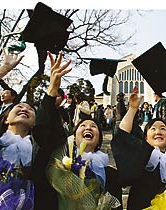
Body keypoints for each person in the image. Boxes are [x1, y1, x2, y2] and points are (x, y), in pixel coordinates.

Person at [33, 51, 122, 210]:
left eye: (94, 126)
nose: (88, 127)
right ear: (73, 135)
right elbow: (44, 130)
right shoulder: (59, 160)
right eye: (83, 125)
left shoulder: (111, 175)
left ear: (99, 140)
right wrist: (52, 89)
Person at [111, 87, 166, 210]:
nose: (158, 131)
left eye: (163, 128)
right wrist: (132, 109)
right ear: (146, 138)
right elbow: (122, 136)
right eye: (153, 128)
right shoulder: (141, 159)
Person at [0, 49, 36, 209]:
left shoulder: (37, 151)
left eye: (30, 109)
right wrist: (3, 69)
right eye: (19, 106)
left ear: (34, 123)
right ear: (5, 117)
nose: (25, 109)